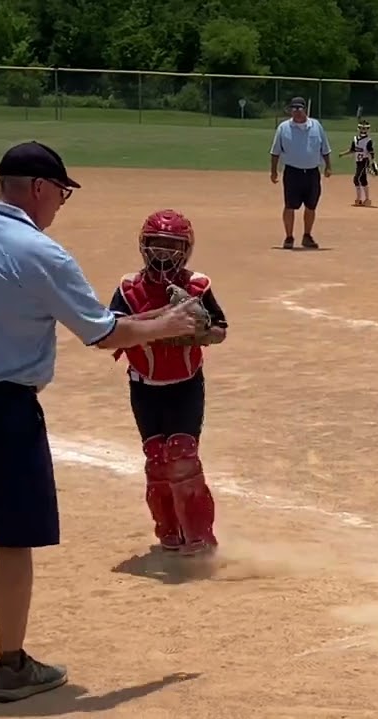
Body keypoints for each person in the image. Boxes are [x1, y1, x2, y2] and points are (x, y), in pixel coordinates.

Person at [0, 141, 204, 703]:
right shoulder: (41, 252)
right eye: (61, 192)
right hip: (2, 410)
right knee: (14, 538)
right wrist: (171, 322)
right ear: (37, 188)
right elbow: (104, 333)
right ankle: (14, 665)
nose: (61, 204)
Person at [107, 209, 227, 558]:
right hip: (144, 386)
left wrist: (202, 332)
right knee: (156, 456)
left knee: (182, 453)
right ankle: (168, 531)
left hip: (185, 384)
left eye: (171, 247)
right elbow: (112, 331)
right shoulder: (129, 289)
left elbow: (220, 331)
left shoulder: (196, 287)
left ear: (185, 249)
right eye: (156, 245)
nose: (163, 254)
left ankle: (200, 535)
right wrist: (161, 319)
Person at [269, 96, 331, 249]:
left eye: (299, 108)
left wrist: (328, 166)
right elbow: (275, 152)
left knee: (311, 205)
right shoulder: (283, 128)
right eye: (293, 108)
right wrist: (274, 171)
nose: (296, 111)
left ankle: (307, 236)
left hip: (312, 172)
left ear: (305, 109)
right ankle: (289, 237)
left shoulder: (316, 126)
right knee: (290, 205)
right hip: (292, 172)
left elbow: (325, 148)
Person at [338, 120, 378, 207]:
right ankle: (367, 200)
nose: (363, 130)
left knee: (356, 179)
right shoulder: (355, 139)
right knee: (363, 179)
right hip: (358, 162)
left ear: (368, 130)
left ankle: (359, 199)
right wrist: (343, 154)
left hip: (364, 161)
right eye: (361, 128)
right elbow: (352, 150)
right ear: (358, 129)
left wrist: (373, 162)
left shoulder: (368, 140)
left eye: (365, 129)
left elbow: (371, 152)